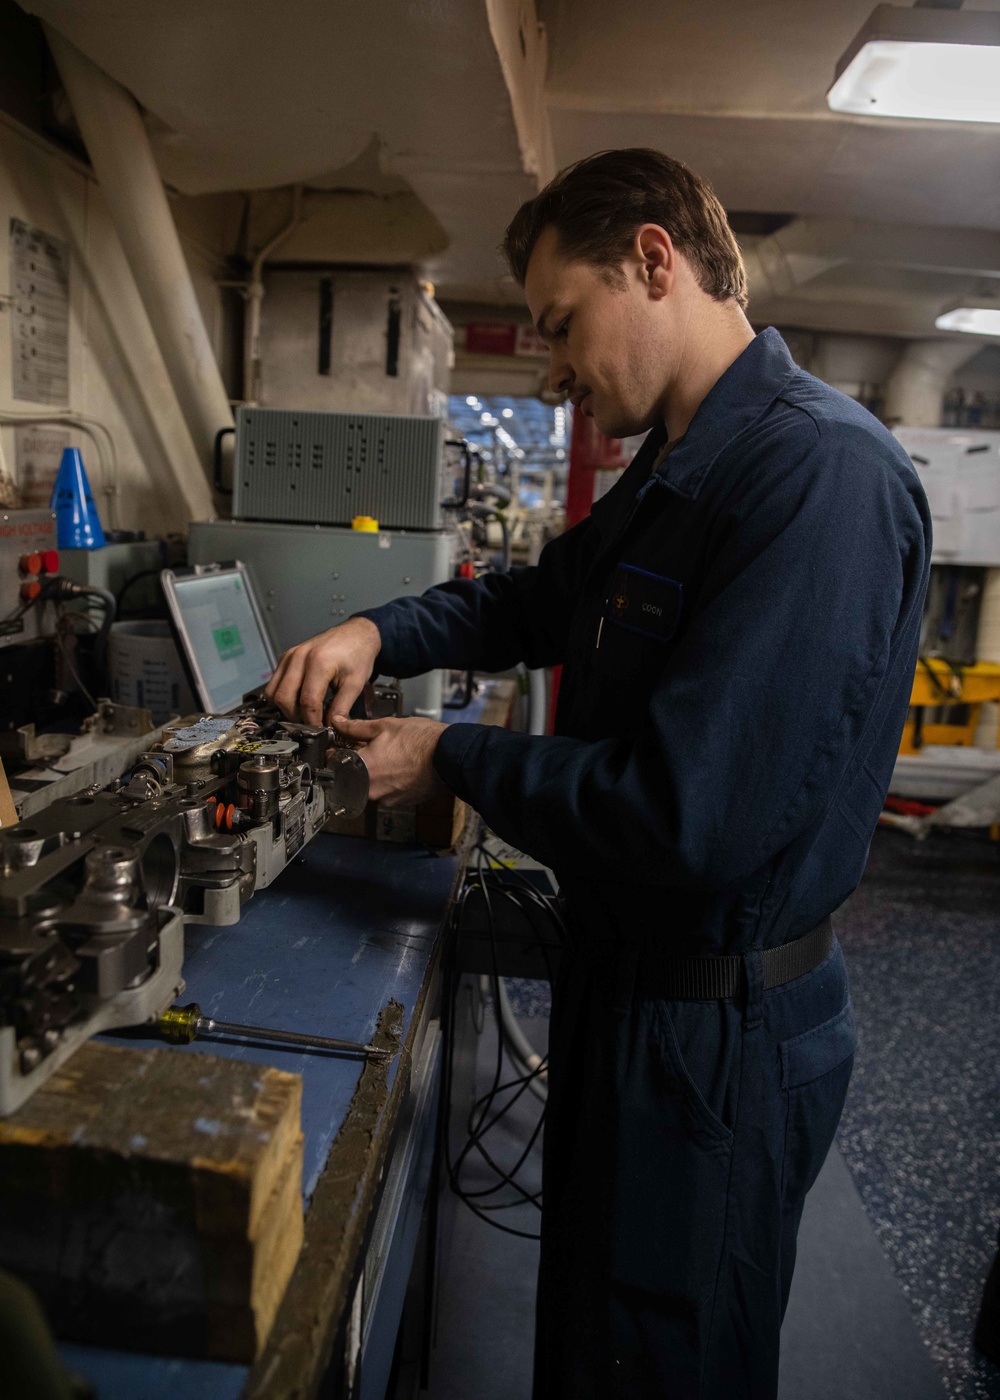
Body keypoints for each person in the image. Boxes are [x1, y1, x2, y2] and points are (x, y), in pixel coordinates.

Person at [265, 149, 931, 1400]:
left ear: (654, 260)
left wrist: (448, 751)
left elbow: (693, 815)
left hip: (714, 1029)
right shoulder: (681, 469)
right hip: (632, 995)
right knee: (589, 1344)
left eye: (563, 326)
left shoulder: (816, 476)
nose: (555, 368)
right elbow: (536, 599)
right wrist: (375, 631)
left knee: (659, 1363)